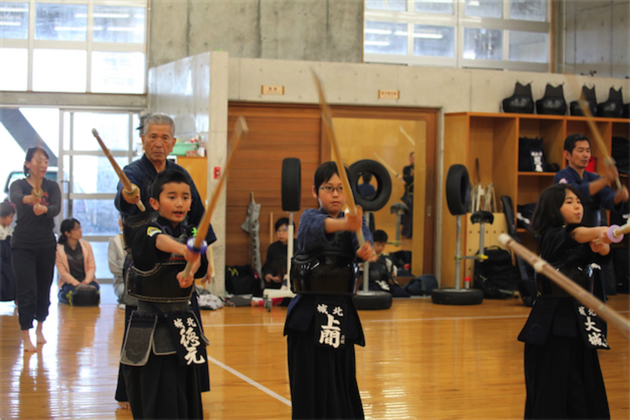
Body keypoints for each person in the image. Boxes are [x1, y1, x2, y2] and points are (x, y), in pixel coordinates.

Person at [114, 113, 216, 406]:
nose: (158, 143)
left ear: (173, 142)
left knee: (189, 321)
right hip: (145, 261)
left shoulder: (179, 175)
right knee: (138, 329)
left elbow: (198, 219)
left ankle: (191, 384)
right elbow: (125, 199)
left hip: (182, 265)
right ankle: (130, 390)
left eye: (164, 137)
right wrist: (129, 194)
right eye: (152, 136)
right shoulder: (133, 172)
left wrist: (200, 255)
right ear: (143, 138)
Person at [284, 161, 374, 419]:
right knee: (310, 384)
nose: (335, 194)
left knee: (340, 382)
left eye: (340, 188)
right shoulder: (309, 218)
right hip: (309, 317)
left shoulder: (355, 219)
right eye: (328, 188)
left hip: (340, 316)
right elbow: (317, 230)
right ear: (316, 191)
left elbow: (362, 240)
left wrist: (364, 249)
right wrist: (346, 223)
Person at [519, 183, 613, 419]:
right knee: (555, 384)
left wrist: (603, 244)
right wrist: (600, 231)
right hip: (552, 324)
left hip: (579, 321)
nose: (577, 207)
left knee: (583, 381)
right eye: (569, 202)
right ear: (553, 210)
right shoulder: (552, 237)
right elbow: (576, 234)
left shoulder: (581, 239)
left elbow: (602, 254)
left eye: (579, 201)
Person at [121, 169, 208, 419]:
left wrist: (190, 270)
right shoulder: (147, 229)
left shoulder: (192, 232)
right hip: (151, 330)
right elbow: (158, 240)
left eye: (185, 197)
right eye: (172, 197)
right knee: (159, 400)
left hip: (183, 327)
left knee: (186, 397)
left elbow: (197, 267)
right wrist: (185, 250)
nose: (180, 203)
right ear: (155, 203)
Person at [10, 147, 61, 352]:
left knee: (43, 289)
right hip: (22, 245)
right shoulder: (19, 185)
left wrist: (45, 209)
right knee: (26, 290)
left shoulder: (52, 186)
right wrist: (30, 199)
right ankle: (25, 334)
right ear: (28, 164)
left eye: (46, 162)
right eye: (39, 161)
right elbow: (15, 197)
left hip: (46, 245)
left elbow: (56, 208)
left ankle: (40, 327)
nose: (43, 166)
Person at [554, 133, 629, 227]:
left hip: (593, 228)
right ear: (567, 154)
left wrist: (619, 196)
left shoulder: (594, 178)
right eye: (580, 151)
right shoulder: (561, 176)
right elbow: (577, 192)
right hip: (569, 230)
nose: (585, 155)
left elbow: (607, 198)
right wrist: (606, 179)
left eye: (588, 151)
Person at [56, 218, 100, 305]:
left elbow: (91, 266)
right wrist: (77, 284)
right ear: (67, 233)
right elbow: (63, 273)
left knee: (93, 291)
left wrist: (86, 281)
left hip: (87, 281)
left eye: (80, 227)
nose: (80, 231)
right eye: (76, 228)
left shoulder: (86, 245)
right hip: (70, 283)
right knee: (72, 293)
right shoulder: (59, 250)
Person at [363, 229, 409, 297]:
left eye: (383, 245)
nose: (380, 248)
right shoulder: (366, 255)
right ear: (371, 243)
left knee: (403, 293)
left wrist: (392, 274)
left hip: (385, 283)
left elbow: (393, 270)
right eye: (378, 245)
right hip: (371, 284)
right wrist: (367, 262)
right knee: (375, 291)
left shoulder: (386, 258)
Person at [108, 217, 136, 309]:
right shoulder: (114, 241)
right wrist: (129, 274)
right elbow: (113, 268)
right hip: (122, 282)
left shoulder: (138, 239)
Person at [262, 217, 295, 290]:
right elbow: (268, 265)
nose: (281, 233)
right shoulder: (273, 247)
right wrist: (269, 275)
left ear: (292, 231)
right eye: (278, 231)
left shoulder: (298, 246)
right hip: (276, 283)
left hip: (293, 282)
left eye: (284, 230)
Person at [0, 201, 16, 302]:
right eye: (10, 217)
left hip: (7, 260)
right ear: (2, 217)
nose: (12, 219)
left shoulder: (9, 230)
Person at [400, 151, 414, 238]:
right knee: (408, 215)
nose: (414, 160)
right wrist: (412, 176)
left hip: (418, 196)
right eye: (413, 158)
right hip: (409, 195)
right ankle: (407, 233)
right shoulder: (406, 169)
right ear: (410, 159)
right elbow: (406, 180)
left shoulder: (420, 168)